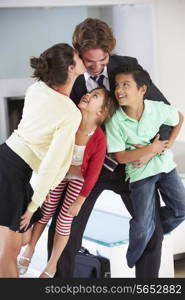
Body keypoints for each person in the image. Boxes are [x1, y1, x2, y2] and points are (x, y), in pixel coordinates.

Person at [48, 18, 172, 278]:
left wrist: (153, 147)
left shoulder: (127, 67)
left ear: (110, 52)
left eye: (101, 60)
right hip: (86, 166)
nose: (94, 67)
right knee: (65, 228)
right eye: (88, 61)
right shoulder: (68, 74)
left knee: (151, 229)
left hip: (127, 164)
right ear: (78, 52)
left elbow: (164, 110)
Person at [0, 43, 86, 278]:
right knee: (8, 253)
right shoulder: (70, 113)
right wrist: (33, 205)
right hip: (13, 173)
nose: (82, 56)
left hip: (6, 159)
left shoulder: (36, 88)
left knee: (19, 240)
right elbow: (51, 164)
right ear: (71, 68)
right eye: (78, 55)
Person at [17, 87, 113, 278]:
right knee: (45, 212)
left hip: (79, 180)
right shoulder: (71, 122)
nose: (87, 95)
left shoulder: (99, 138)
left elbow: (93, 174)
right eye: (90, 92)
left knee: (64, 220)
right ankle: (30, 249)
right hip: (60, 174)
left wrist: (80, 200)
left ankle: (51, 265)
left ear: (101, 112)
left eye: (94, 96)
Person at [105, 63, 185, 269]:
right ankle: (135, 253)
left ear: (142, 90)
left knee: (181, 209)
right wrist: (150, 149)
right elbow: (120, 156)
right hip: (139, 173)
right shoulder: (115, 120)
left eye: (125, 85)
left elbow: (179, 118)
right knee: (142, 224)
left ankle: (152, 229)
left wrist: (165, 146)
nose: (119, 90)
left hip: (165, 167)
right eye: (117, 86)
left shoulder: (157, 108)